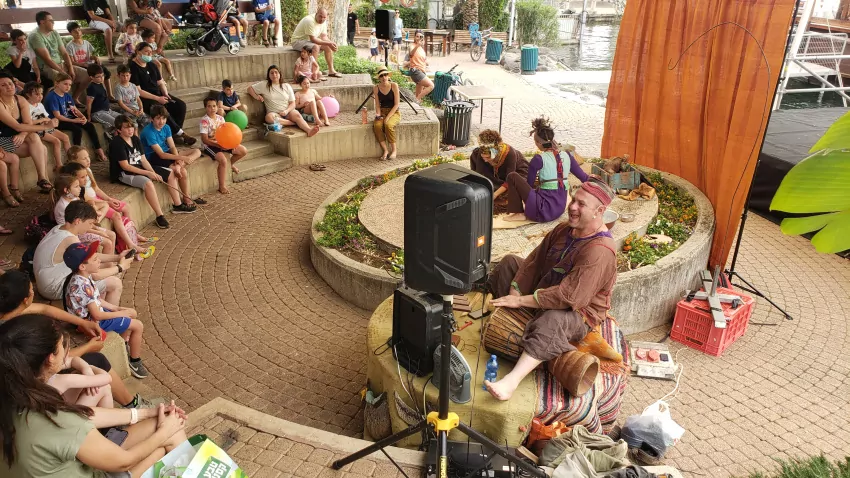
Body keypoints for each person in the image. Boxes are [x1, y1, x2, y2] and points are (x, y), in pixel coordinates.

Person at [0, 315, 188, 476]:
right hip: (95, 471)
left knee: (166, 429)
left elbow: (81, 415)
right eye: (62, 345)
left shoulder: (16, 391)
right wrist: (165, 432)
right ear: (50, 359)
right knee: (171, 436)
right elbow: (124, 462)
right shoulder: (51, 415)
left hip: (66, 462)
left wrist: (146, 413)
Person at [483, 180, 618, 401]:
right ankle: (512, 320)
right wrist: (516, 291)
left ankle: (511, 381)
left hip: (579, 311)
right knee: (509, 263)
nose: (572, 207)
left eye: (581, 204)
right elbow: (534, 261)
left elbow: (569, 297)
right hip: (547, 289)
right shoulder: (564, 229)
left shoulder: (600, 251)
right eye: (573, 200)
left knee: (553, 318)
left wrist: (519, 302)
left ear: (600, 211)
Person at [0, 270, 158, 409]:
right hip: (28, 389)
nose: (33, 291)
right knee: (97, 361)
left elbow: (44, 308)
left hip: (24, 377)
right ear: (26, 300)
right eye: (31, 289)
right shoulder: (14, 335)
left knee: (93, 363)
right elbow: (51, 361)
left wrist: (83, 322)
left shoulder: (9, 310)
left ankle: (128, 406)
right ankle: (132, 405)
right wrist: (88, 347)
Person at [64, 241, 149, 379]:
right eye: (94, 259)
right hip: (91, 323)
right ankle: (134, 361)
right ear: (82, 266)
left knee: (130, 315)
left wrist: (115, 308)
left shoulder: (81, 277)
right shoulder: (83, 285)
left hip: (90, 316)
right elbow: (97, 315)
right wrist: (121, 313)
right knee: (138, 325)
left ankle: (124, 343)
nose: (99, 260)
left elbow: (96, 300)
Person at [33, 200, 131, 302]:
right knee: (115, 283)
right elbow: (93, 275)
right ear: (78, 221)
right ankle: (106, 317)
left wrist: (118, 257)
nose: (90, 227)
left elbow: (89, 255)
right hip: (53, 288)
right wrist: (120, 267)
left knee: (100, 268)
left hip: (47, 282)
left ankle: (99, 305)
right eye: (90, 223)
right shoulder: (70, 240)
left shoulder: (59, 228)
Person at [66, 147, 154, 256]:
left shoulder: (87, 170)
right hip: (92, 201)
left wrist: (108, 199)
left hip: (98, 199)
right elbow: (86, 197)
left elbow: (96, 188)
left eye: (88, 157)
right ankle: (130, 243)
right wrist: (106, 203)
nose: (88, 160)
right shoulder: (76, 179)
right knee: (116, 215)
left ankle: (133, 234)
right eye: (84, 158)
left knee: (125, 207)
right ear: (75, 161)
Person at [504, 117, 589, 223]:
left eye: (535, 142)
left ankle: (519, 213)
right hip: (559, 209)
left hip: (542, 212)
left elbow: (529, 185)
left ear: (538, 143)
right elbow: (584, 177)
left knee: (512, 176)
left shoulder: (538, 159)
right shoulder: (567, 155)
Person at [110, 115, 172, 228]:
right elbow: (125, 166)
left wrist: (153, 172)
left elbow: (143, 159)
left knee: (169, 172)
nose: (130, 130)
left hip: (139, 168)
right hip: (124, 173)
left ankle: (178, 203)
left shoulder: (135, 139)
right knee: (148, 183)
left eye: (131, 127)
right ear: (119, 130)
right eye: (126, 128)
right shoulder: (117, 143)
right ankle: (159, 215)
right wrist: (148, 173)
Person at [130, 42, 196, 146]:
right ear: (138, 52)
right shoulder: (133, 67)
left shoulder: (151, 64)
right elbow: (138, 90)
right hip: (144, 97)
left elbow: (160, 81)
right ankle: (182, 134)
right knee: (161, 110)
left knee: (180, 105)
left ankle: (173, 134)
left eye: (150, 52)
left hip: (158, 93)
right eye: (146, 52)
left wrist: (165, 93)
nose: (149, 55)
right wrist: (157, 98)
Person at [0, 72, 53, 201]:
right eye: (3, 85)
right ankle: (43, 180)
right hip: (2, 140)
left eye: (10, 83)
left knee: (34, 138)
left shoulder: (20, 99)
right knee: (42, 148)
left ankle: (42, 178)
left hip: (18, 137)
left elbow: (27, 124)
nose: (9, 87)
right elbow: (17, 126)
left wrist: (23, 135)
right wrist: (45, 127)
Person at [140, 105, 202, 212]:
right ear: (152, 119)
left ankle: (178, 170)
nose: (161, 121)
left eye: (164, 118)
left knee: (197, 151)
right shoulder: (148, 132)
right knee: (183, 171)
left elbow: (172, 147)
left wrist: (177, 161)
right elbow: (161, 155)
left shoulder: (167, 127)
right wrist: (181, 158)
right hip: (152, 156)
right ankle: (185, 200)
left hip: (166, 152)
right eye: (158, 118)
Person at [44, 72, 108, 162]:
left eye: (70, 85)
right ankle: (77, 154)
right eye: (65, 84)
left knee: (89, 125)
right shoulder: (52, 97)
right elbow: (58, 116)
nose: (68, 87)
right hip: (57, 121)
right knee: (77, 130)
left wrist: (82, 117)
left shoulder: (67, 95)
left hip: (68, 118)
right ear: (57, 83)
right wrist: (75, 121)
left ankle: (98, 149)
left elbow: (74, 109)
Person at [29, 11, 89, 104]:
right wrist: (63, 72)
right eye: (51, 21)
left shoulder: (54, 33)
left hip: (60, 64)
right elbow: (47, 59)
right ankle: (64, 106)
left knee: (88, 75)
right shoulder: (35, 35)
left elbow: (64, 53)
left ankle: (75, 98)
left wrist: (70, 68)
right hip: (45, 67)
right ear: (42, 22)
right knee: (64, 80)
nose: (53, 23)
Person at [52, 172, 117, 254]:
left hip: (83, 228)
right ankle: (107, 264)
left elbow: (84, 220)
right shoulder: (63, 206)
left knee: (112, 235)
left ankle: (112, 260)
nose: (80, 188)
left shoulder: (75, 198)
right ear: (66, 190)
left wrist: (96, 228)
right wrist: (98, 232)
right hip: (74, 234)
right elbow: (79, 226)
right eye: (76, 186)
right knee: (108, 243)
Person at [248, 64, 319, 137]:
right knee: (268, 117)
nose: (274, 75)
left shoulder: (286, 86)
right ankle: (292, 123)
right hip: (275, 113)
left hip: (288, 112)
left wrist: (286, 111)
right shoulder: (264, 84)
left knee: (297, 114)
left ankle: (308, 130)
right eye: (271, 73)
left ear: (280, 74)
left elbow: (293, 103)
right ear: (268, 75)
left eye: (276, 72)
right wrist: (256, 96)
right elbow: (250, 89)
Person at [469, 129, 529, 214]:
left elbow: (510, 179)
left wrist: (495, 194)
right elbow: (477, 175)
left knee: (514, 190)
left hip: (515, 173)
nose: (486, 160)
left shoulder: (510, 153)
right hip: (497, 176)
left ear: (495, 152)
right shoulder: (478, 153)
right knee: (484, 187)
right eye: (484, 157)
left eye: (488, 157)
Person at [200, 97, 247, 195]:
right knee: (223, 160)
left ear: (217, 107)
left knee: (242, 150)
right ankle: (221, 186)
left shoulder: (221, 118)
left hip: (222, 143)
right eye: (209, 106)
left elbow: (228, 132)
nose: (212, 108)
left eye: (214, 106)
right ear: (205, 108)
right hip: (209, 145)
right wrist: (219, 145)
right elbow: (204, 139)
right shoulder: (204, 120)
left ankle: (231, 165)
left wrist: (232, 143)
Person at [23, 81, 70, 173]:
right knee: (56, 141)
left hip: (46, 127)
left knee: (65, 137)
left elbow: (46, 117)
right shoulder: (26, 106)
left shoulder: (40, 105)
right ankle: (59, 165)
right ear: (28, 95)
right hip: (37, 130)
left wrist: (52, 121)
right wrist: (42, 121)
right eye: (37, 94)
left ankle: (72, 160)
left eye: (41, 93)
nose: (40, 96)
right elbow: (28, 123)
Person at [290, 8, 342, 79]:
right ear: (316, 14)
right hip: (297, 41)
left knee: (327, 46)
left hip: (308, 42)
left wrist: (331, 43)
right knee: (316, 47)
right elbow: (313, 39)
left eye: (324, 17)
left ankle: (331, 70)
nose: (322, 19)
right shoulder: (309, 20)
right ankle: (313, 73)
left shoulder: (323, 22)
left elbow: (324, 37)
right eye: (320, 16)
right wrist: (328, 43)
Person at [48, 352, 114, 408]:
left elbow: (73, 359)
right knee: (103, 387)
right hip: (67, 420)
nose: (68, 352)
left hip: (60, 415)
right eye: (62, 345)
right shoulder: (62, 380)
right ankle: (113, 420)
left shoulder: (43, 373)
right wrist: (90, 368)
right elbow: (107, 378)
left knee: (79, 371)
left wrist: (86, 369)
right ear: (51, 357)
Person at [66, 22, 113, 100]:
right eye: (75, 31)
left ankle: (110, 94)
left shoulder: (86, 43)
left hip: (89, 65)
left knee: (105, 72)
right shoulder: (70, 46)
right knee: (95, 75)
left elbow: (89, 56)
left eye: (79, 30)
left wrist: (94, 58)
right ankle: (77, 97)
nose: (78, 32)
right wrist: (83, 64)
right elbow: (72, 62)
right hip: (79, 66)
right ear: (70, 33)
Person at [372, 67, 400, 161]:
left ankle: (394, 150)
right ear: (379, 78)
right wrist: (378, 115)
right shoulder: (376, 88)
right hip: (382, 112)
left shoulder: (394, 85)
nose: (384, 77)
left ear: (388, 76)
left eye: (385, 75)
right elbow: (377, 106)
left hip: (394, 112)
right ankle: (385, 150)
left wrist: (387, 117)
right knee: (377, 125)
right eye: (381, 76)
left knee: (388, 125)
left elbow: (396, 104)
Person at [85, 64, 121, 137]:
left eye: (102, 75)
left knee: (123, 119)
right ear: (91, 77)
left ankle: (115, 134)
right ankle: (111, 135)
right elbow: (89, 103)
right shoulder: (92, 88)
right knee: (115, 122)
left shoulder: (100, 83)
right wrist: (88, 116)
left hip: (107, 110)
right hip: (97, 113)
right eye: (98, 77)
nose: (101, 78)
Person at [114, 63, 151, 131]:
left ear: (130, 75)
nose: (125, 78)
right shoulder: (118, 88)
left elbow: (138, 99)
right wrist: (132, 112)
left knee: (148, 121)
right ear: (118, 75)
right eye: (123, 75)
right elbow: (121, 104)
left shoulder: (133, 86)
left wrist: (141, 109)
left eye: (127, 75)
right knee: (134, 125)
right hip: (127, 111)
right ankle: (135, 140)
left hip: (137, 109)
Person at [405, 31, 434, 101]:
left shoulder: (422, 49)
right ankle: (416, 100)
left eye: (420, 37)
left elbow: (424, 61)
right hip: (415, 71)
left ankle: (416, 103)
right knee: (431, 85)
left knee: (418, 95)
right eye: (417, 36)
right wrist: (418, 45)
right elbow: (411, 54)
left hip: (422, 71)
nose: (418, 38)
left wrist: (427, 64)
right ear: (414, 37)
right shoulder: (412, 45)